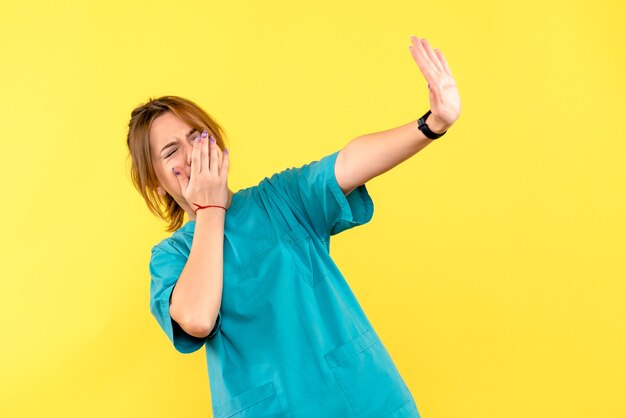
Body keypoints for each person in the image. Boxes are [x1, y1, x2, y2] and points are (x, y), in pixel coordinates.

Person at [126, 35, 461, 418]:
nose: (192, 154)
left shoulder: (280, 198)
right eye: (171, 151)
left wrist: (432, 124)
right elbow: (198, 319)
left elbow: (348, 163)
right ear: (155, 180)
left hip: (363, 399)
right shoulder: (171, 257)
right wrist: (209, 207)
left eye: (195, 136)